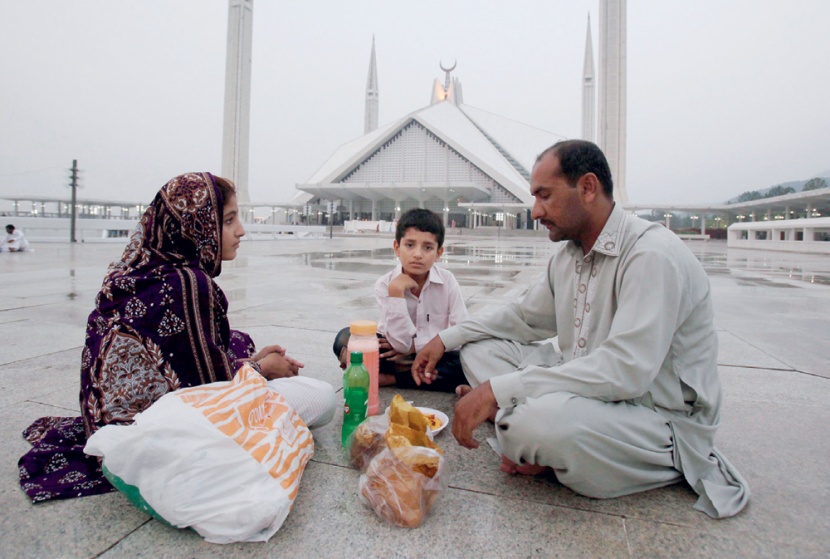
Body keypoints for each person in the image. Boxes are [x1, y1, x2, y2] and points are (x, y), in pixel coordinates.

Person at [412, 140, 749, 519]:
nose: (535, 211)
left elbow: (626, 371)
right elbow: (523, 317)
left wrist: (501, 389)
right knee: (479, 350)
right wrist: (448, 337)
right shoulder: (570, 255)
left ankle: (544, 437)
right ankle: (534, 434)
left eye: (545, 196)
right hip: (589, 387)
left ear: (588, 188)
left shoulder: (650, 255)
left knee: (536, 424)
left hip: (656, 415)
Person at [19, 172, 336, 503]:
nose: (241, 230)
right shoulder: (186, 284)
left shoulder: (139, 269)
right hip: (153, 442)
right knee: (321, 397)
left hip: (105, 426)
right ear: (195, 228)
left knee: (238, 340)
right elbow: (209, 390)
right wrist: (262, 369)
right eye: (228, 221)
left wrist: (251, 361)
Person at [333, 208, 468, 392]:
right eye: (410, 245)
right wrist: (396, 292)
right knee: (344, 339)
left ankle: (394, 378)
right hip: (392, 352)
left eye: (427, 247)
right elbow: (400, 344)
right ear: (397, 247)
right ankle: (415, 375)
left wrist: (417, 347)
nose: (418, 254)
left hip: (437, 354)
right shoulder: (385, 284)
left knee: (469, 361)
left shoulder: (447, 281)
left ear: (438, 253)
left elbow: (461, 332)